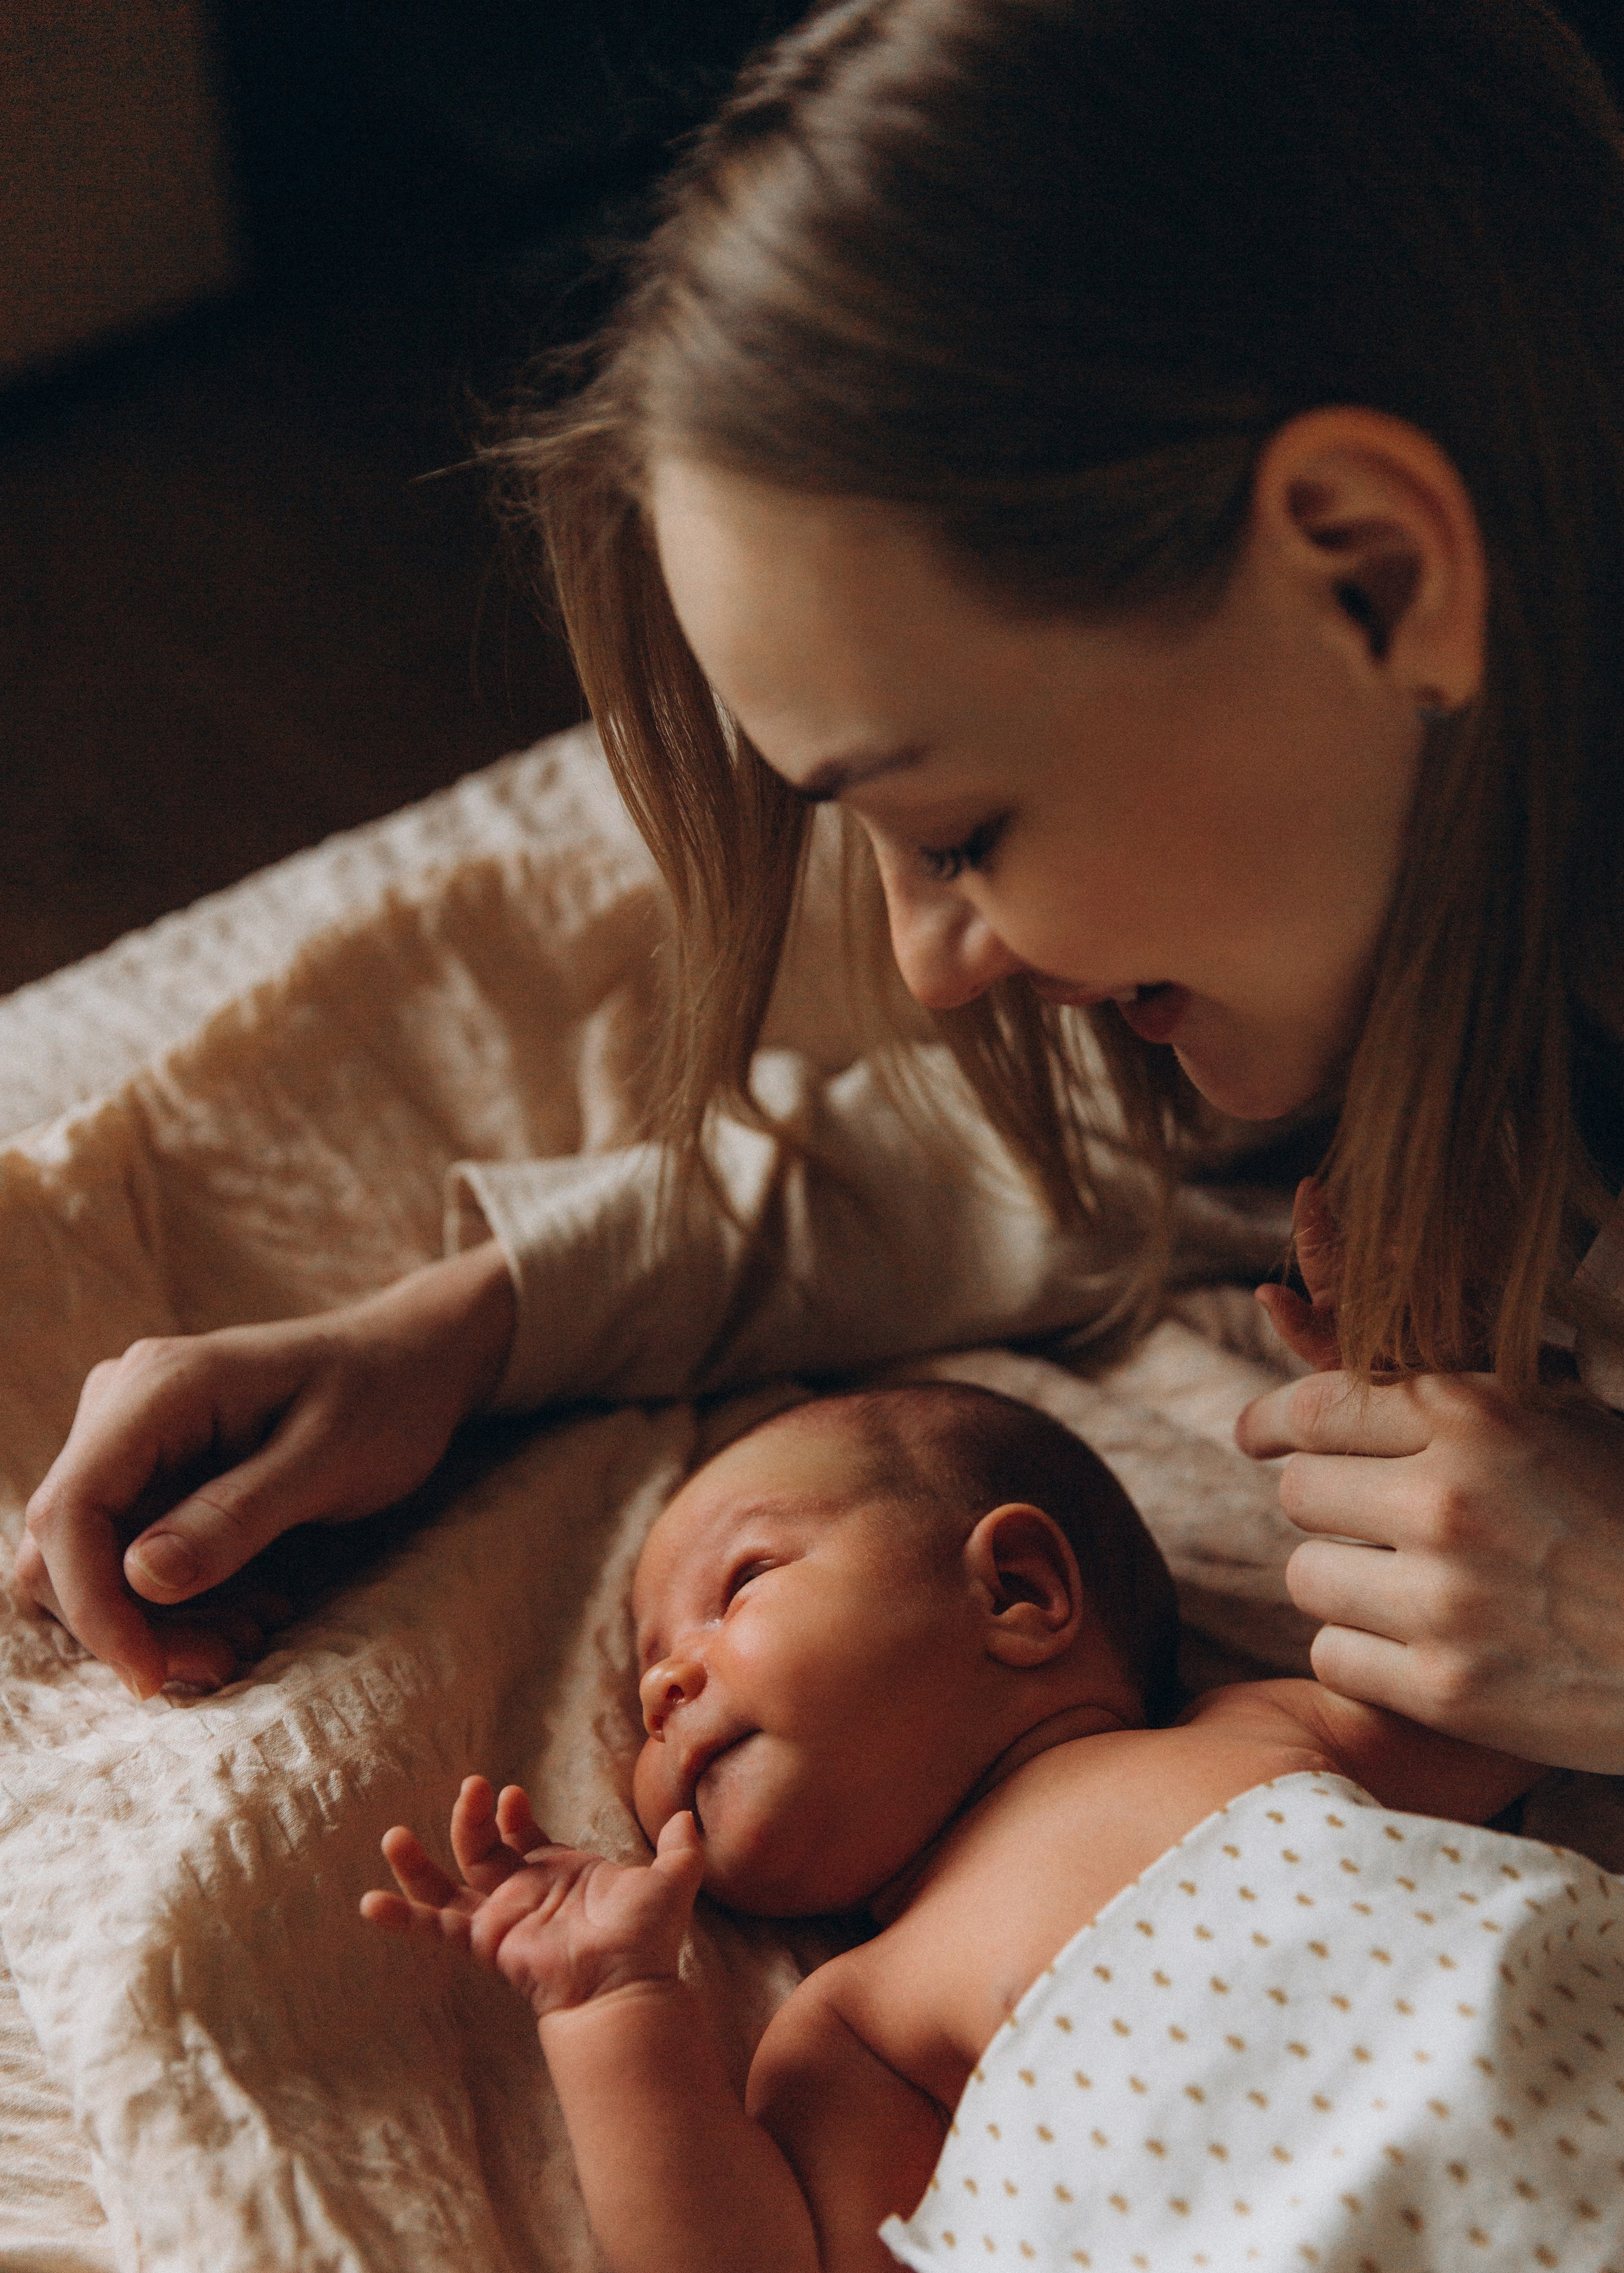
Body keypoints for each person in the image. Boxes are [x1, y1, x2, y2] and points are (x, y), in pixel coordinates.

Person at [16, 1, 1624, 1779]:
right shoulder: (1425, 927)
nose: (932, 969)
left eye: (958, 831)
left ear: (1374, 576)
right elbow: (1049, 1172)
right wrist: (439, 1337)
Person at [358, 1381, 1550, 2273]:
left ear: (1016, 1591)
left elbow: (1515, 1691)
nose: (666, 1681)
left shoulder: (1265, 1729)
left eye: (741, 1584)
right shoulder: (861, 2018)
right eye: (647, 1669)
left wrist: (1417, 1387)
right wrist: (608, 2004)